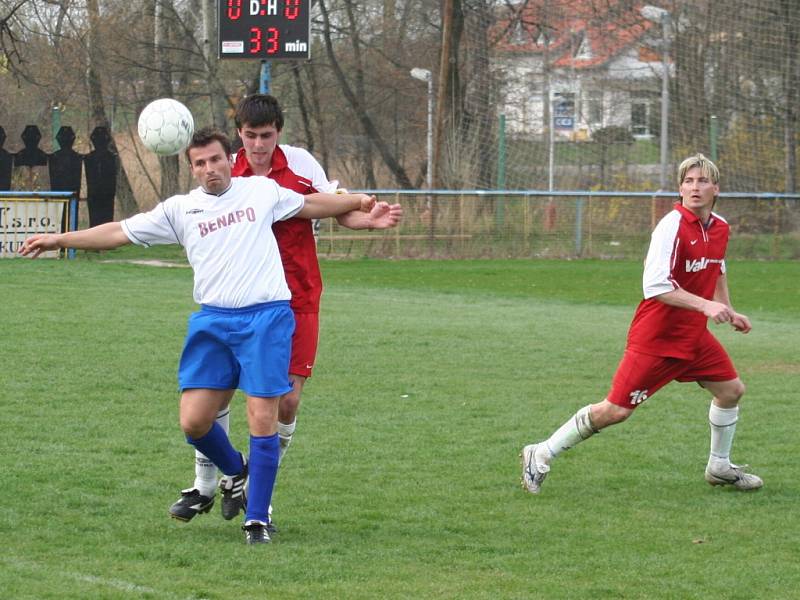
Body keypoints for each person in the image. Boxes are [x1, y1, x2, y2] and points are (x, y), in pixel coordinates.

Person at [20, 127, 399, 544]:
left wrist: (360, 203)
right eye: (200, 163)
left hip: (266, 318)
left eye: (215, 159)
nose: (209, 168)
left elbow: (310, 204)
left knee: (262, 416)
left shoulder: (261, 191)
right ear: (193, 169)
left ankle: (257, 519)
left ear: (227, 159)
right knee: (194, 421)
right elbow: (117, 233)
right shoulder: (180, 209)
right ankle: (235, 470)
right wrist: (59, 238)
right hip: (214, 322)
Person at [168, 95, 402, 529]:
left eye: (267, 135)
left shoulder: (300, 164)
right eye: (251, 136)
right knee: (215, 392)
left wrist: (365, 218)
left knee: (287, 403)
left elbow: (332, 205)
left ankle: (254, 485)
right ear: (239, 133)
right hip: (239, 300)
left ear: (279, 132)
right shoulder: (221, 167)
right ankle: (208, 484)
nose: (258, 145)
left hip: (296, 296)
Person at [521, 153, 763, 494]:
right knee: (616, 410)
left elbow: (716, 266)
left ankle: (719, 466)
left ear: (715, 188)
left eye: (702, 181)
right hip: (657, 336)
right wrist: (706, 305)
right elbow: (655, 287)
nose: (695, 187)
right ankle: (541, 452)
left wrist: (727, 308)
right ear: (680, 188)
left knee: (730, 391)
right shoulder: (671, 227)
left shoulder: (720, 226)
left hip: (693, 336)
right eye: (688, 181)